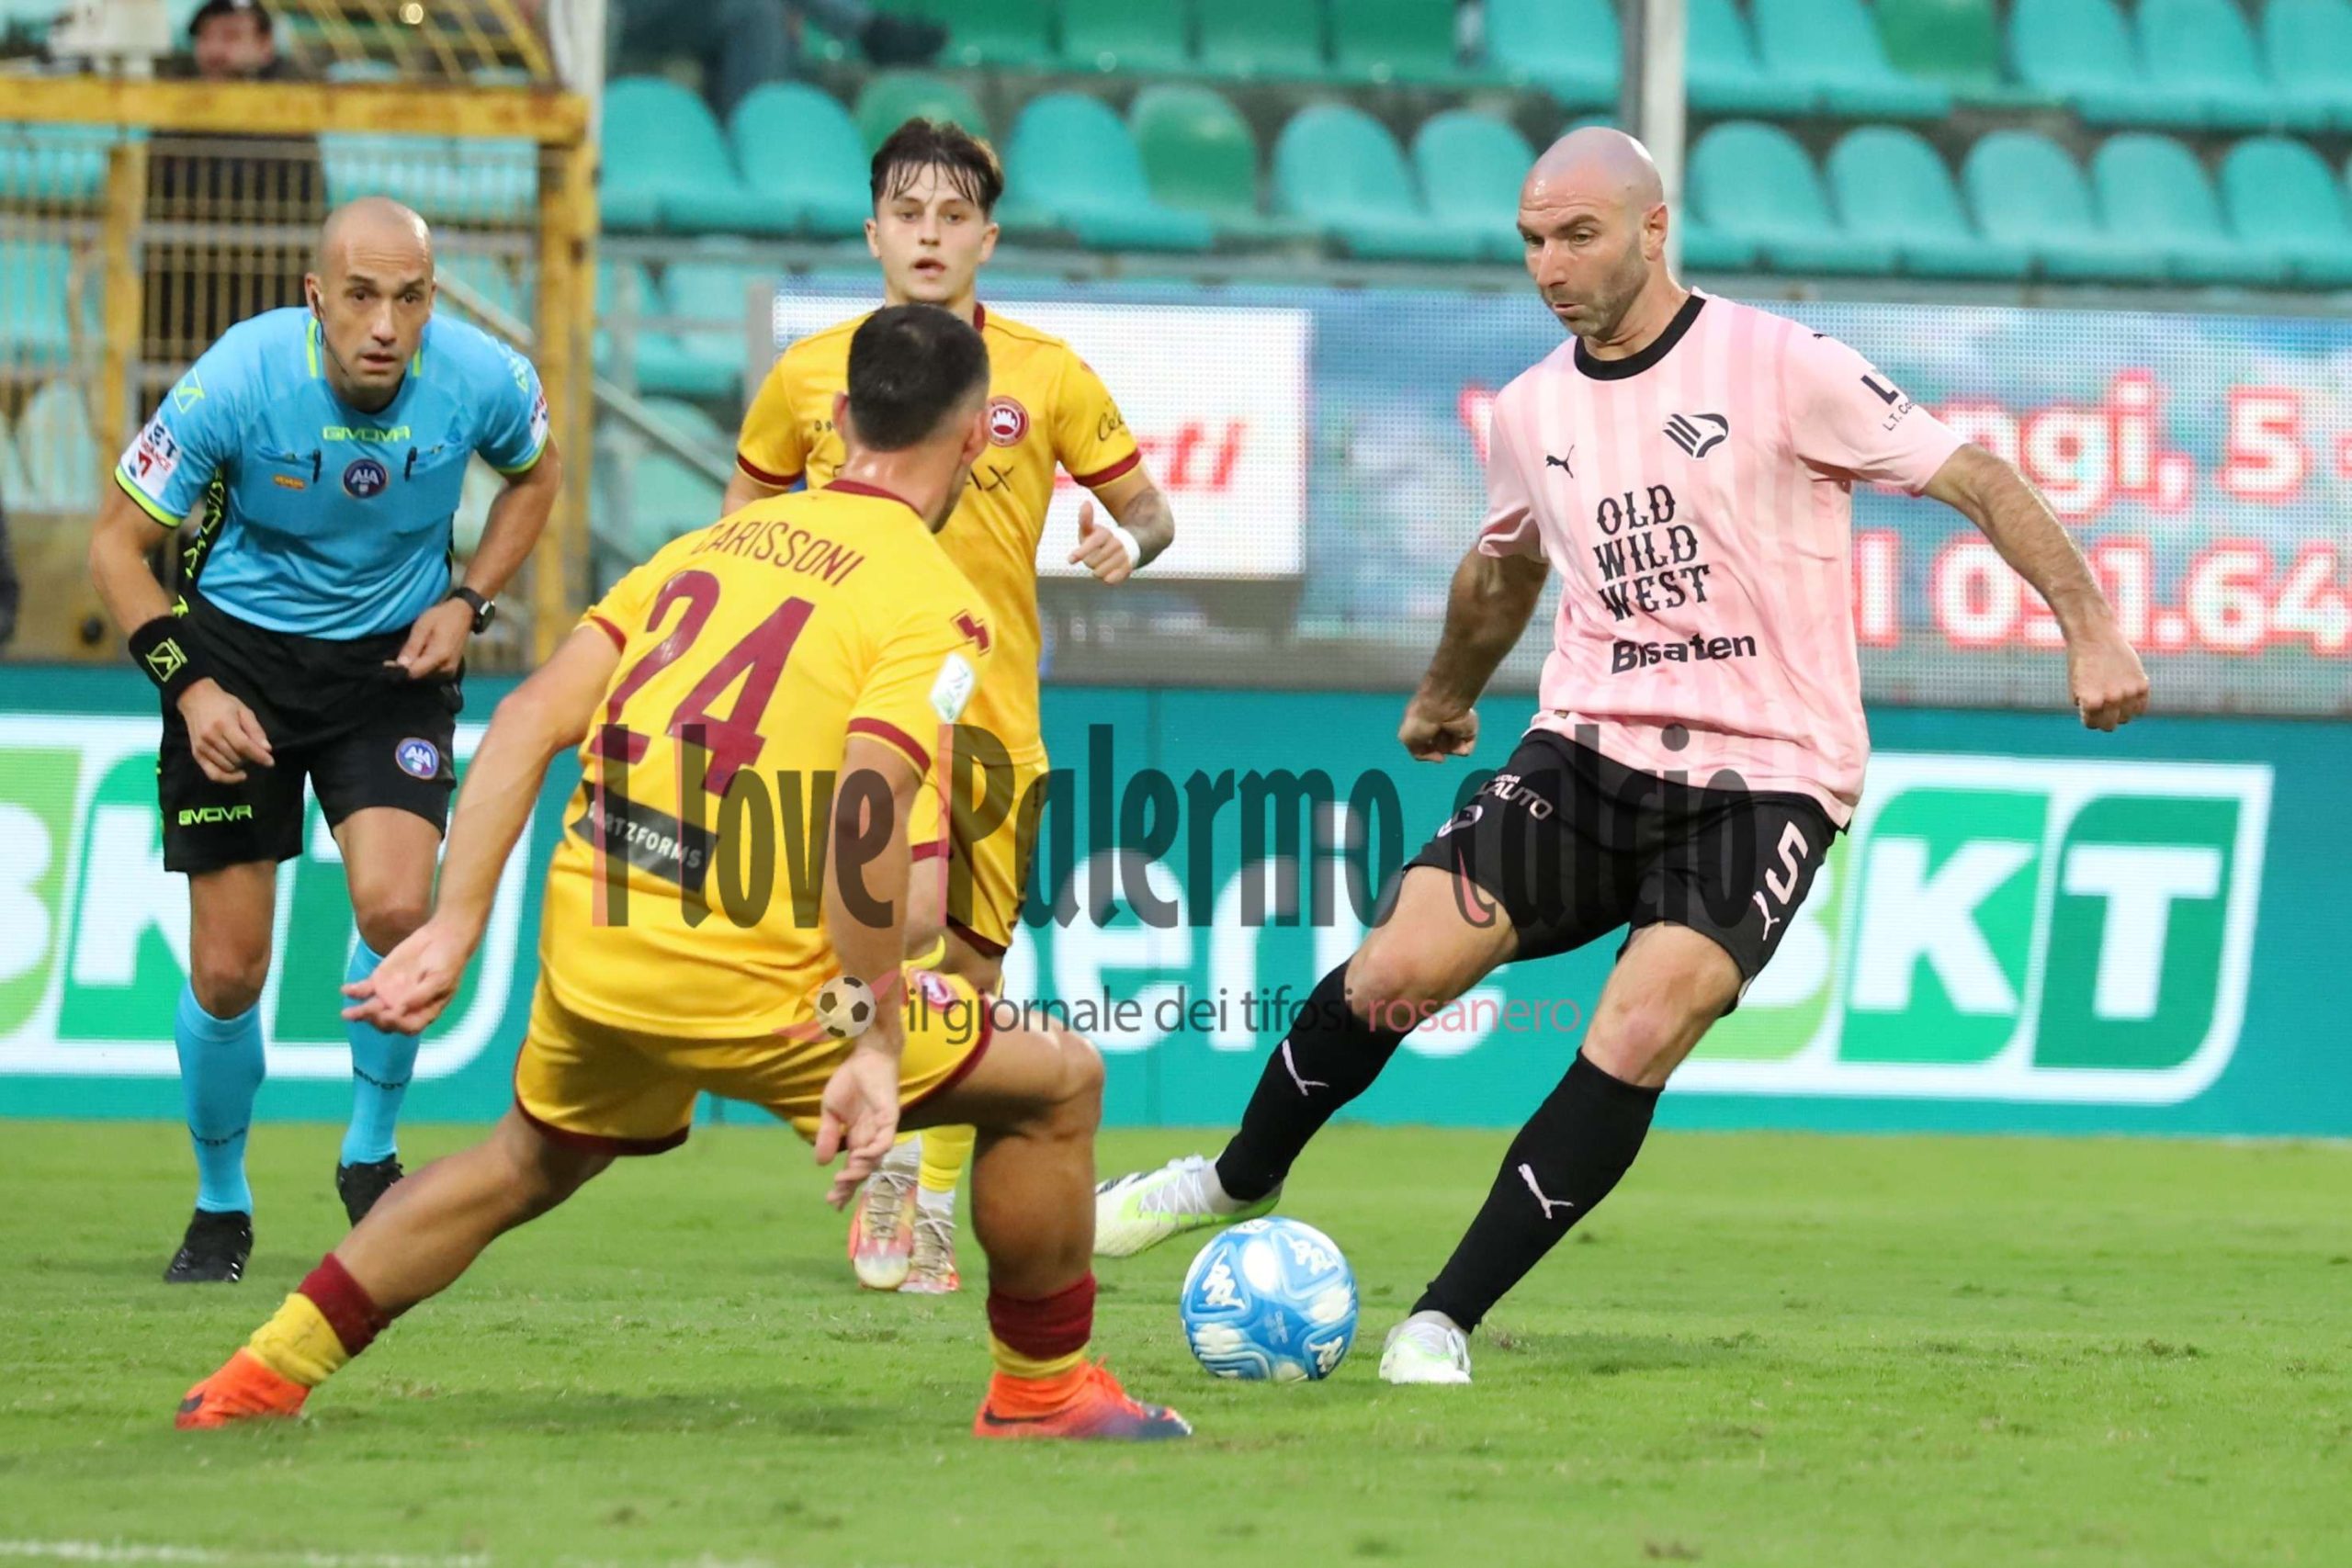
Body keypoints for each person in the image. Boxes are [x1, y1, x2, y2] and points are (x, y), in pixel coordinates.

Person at [1091, 129, 2153, 1383]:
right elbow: (1505, 565)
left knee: (1646, 1020)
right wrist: (1444, 694)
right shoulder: (1532, 405)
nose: (1550, 263)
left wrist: (2088, 629)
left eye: (1577, 234)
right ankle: (1232, 1175)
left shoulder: (1779, 363)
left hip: (1766, 778)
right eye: (1533, 240)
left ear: (1655, 229)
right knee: (1397, 967)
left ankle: (1441, 1318)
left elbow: (1975, 477)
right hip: (1587, 750)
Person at [172, 305, 1191, 1444]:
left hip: (599, 943)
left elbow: (517, 725)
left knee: (522, 1160)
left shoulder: (701, 551)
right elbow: (866, 815)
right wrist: (871, 1037)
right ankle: (1043, 1395)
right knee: (1058, 1089)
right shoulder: (931, 604)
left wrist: (452, 930)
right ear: (969, 449)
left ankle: (257, 1376)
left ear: (842, 420)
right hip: (757, 980)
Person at [727, 118, 1180, 1296]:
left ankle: (924, 1180)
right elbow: (739, 526)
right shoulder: (809, 374)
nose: (928, 236)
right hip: (849, 713)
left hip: (991, 725)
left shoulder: (1046, 371)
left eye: (952, 216)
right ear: (872, 230)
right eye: (907, 214)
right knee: (882, 938)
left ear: (988, 235)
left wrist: (1122, 538)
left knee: (965, 986)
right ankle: (893, 1185)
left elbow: (1154, 513)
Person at [88, 197, 563, 1283]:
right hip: (237, 667)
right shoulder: (238, 376)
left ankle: (369, 1150)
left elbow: (538, 478)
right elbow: (116, 546)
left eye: (409, 297)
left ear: (433, 300)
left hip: (387, 668)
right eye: (360, 295)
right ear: (316, 298)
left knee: (400, 912)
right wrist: (192, 690)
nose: (385, 324)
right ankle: (221, 1206)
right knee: (227, 973)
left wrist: (471, 599)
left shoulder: (482, 377)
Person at [146, 0, 322, 366]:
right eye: (207, 37)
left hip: (264, 293)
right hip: (181, 300)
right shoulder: (174, 99)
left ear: (265, 44)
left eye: (230, 36)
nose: (215, 50)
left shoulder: (292, 101)